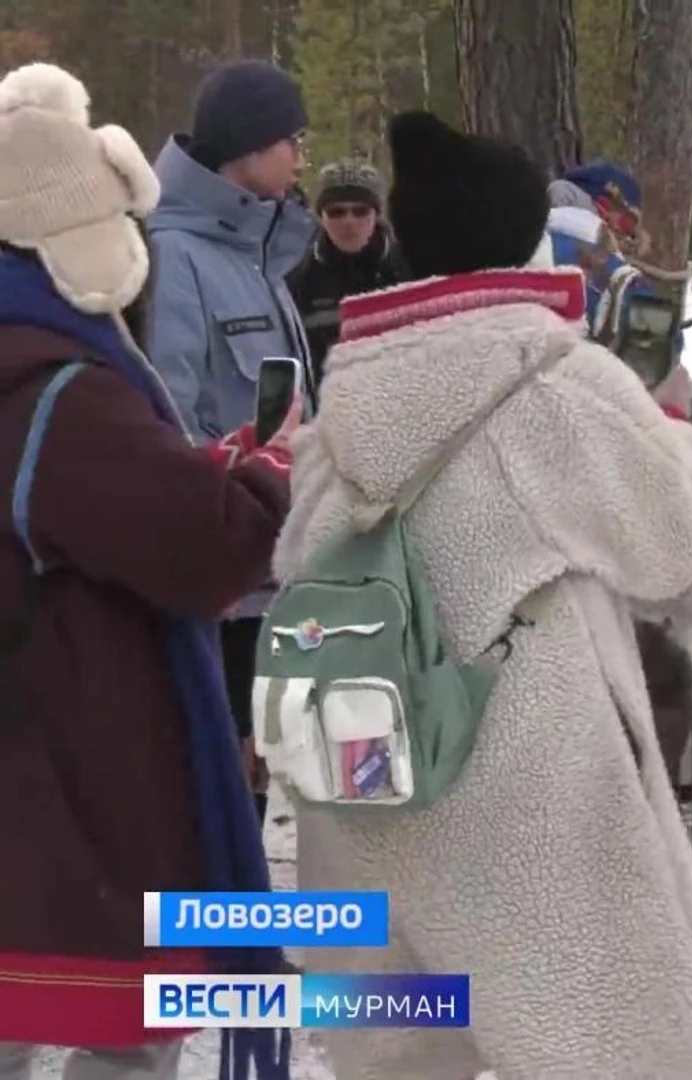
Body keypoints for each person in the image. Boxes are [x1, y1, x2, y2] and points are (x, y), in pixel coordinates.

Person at [276, 109, 692, 1080]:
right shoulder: (554, 380)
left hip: (372, 768)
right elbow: (681, 541)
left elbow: (298, 561)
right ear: (519, 237)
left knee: (409, 1052)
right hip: (530, 790)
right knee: (615, 1046)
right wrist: (670, 431)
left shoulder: (348, 392)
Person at [0, 61, 296, 1080]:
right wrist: (270, 478)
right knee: (118, 1031)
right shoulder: (53, 389)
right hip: (66, 777)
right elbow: (200, 542)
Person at [146, 57, 316, 826]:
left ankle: (242, 940)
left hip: (274, 571)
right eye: (292, 140)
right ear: (247, 145)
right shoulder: (173, 257)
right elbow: (165, 418)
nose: (301, 158)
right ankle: (215, 942)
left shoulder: (258, 255)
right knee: (214, 789)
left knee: (254, 777)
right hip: (220, 585)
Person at [285, 160, 409, 383]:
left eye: (360, 211)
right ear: (321, 217)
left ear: (376, 214)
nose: (349, 222)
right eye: (336, 212)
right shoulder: (297, 279)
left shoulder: (410, 270)